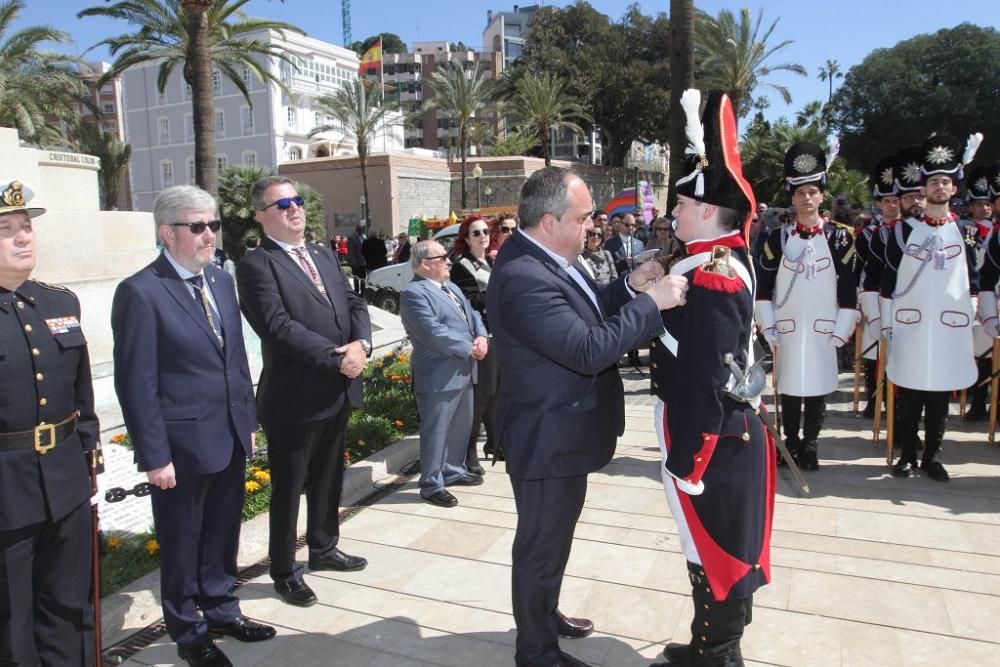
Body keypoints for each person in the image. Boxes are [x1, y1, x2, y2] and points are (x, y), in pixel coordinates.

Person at [486, 166, 689, 667]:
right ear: (550, 221)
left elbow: (584, 308)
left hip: (560, 428)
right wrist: (649, 303)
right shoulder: (522, 277)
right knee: (540, 544)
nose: (591, 227)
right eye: (583, 219)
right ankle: (536, 652)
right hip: (545, 434)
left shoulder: (546, 258)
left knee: (552, 538)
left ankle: (544, 613)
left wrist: (626, 286)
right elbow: (586, 349)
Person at [112, 185, 275, 667]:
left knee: (223, 532)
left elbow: (237, 361)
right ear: (167, 233)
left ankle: (223, 608)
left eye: (213, 225)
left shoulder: (221, 282)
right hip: (180, 446)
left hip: (226, 435)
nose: (209, 235)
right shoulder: (140, 292)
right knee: (183, 542)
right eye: (197, 226)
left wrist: (245, 419)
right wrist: (154, 454)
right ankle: (188, 630)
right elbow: (136, 383)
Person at [647, 88, 774, 667]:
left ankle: (719, 654)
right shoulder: (709, 261)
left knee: (716, 547)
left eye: (679, 206)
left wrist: (689, 456)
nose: (673, 214)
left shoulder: (716, 273)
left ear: (704, 211)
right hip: (715, 433)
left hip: (712, 439)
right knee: (707, 544)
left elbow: (708, 377)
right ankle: (710, 645)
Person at [237, 176, 373, 607]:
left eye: (296, 200)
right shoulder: (257, 264)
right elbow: (277, 328)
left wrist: (361, 344)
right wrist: (338, 357)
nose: (295, 208)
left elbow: (353, 303)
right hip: (294, 397)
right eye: (283, 205)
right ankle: (283, 569)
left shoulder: (322, 253)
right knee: (289, 486)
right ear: (262, 217)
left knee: (330, 476)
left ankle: (324, 547)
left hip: (338, 389)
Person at [0, 179, 101, 666]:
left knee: (68, 601)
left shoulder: (60, 303)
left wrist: (89, 452)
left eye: (27, 227)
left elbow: (83, 390)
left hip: (64, 479)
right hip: (5, 487)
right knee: (12, 613)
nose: (23, 238)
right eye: (7, 229)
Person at [882, 134, 982, 482]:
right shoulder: (903, 232)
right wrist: (887, 324)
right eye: (934, 181)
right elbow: (887, 282)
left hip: (949, 326)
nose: (940, 186)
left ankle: (933, 456)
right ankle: (907, 454)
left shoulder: (967, 231)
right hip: (911, 324)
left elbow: (976, 279)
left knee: (941, 394)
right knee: (910, 392)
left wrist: (971, 316)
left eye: (946, 181)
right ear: (923, 189)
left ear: (954, 189)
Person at [754, 142, 858, 471]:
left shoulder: (841, 238)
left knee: (816, 390)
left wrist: (842, 331)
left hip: (823, 329)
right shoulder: (777, 238)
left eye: (813, 192)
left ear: (822, 196)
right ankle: (792, 445)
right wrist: (768, 327)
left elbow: (849, 288)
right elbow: (764, 289)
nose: (807, 198)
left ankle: (811, 445)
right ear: (792, 197)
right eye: (800, 193)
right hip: (786, 328)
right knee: (788, 387)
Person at [400, 240, 488, 506]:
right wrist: (469, 349)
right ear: (425, 264)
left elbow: (472, 314)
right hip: (439, 375)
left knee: (460, 428)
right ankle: (430, 484)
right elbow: (432, 332)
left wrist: (482, 337)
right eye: (443, 257)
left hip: (463, 370)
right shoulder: (414, 293)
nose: (449, 261)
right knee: (436, 431)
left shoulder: (450, 287)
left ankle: (451, 470)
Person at [449, 216, 499, 473]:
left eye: (485, 231)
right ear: (466, 239)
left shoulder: (491, 261)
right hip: (480, 336)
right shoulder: (461, 266)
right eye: (476, 233)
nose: (482, 236)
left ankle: (495, 442)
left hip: (499, 335)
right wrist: (499, 293)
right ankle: (469, 450)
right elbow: (470, 301)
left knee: (495, 392)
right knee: (482, 396)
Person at [855, 155, 901, 418]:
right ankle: (874, 400)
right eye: (887, 201)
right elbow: (861, 271)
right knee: (873, 353)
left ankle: (900, 411)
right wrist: (863, 304)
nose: (893, 205)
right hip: (875, 302)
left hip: (903, 303)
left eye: (896, 200)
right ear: (879, 203)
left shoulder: (912, 232)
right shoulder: (869, 236)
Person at [961, 163, 995, 420]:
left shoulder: (993, 231)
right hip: (981, 299)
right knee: (980, 355)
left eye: (987, 203)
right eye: (979, 204)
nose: (984, 208)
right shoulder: (964, 230)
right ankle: (978, 402)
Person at [604, 211, 645, 276]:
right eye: (627, 225)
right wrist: (624, 262)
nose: (630, 228)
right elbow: (607, 267)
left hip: (637, 282)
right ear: (620, 224)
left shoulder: (640, 244)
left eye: (633, 225)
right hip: (619, 282)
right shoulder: (609, 244)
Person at [346, 223, 366, 294]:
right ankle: (357, 291)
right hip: (355, 262)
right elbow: (350, 251)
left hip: (363, 262)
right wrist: (353, 262)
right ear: (358, 230)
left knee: (363, 277)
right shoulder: (351, 238)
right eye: (362, 230)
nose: (362, 231)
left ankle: (363, 291)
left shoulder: (363, 237)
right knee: (356, 278)